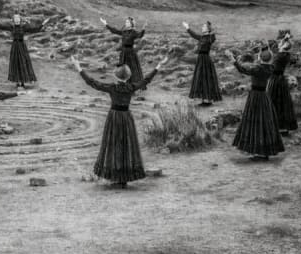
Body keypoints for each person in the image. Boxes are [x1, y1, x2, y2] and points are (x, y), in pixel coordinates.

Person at [71, 54, 168, 187]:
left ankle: (115, 176)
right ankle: (124, 178)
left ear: (115, 75)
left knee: (113, 144)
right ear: (128, 76)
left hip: (114, 117)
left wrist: (78, 67)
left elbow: (92, 82)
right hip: (127, 118)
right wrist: (159, 65)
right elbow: (146, 80)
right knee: (126, 145)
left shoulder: (112, 87)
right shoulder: (131, 87)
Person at [227, 48, 284, 159]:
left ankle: (258, 152)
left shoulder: (258, 69)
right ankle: (265, 151)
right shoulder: (271, 68)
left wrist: (232, 59)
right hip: (264, 96)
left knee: (255, 122)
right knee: (265, 123)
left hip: (255, 97)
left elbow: (242, 69)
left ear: (259, 57)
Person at [0, 13, 52, 88]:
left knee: (23, 63)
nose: (17, 19)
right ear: (13, 20)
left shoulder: (24, 27)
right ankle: (17, 82)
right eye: (15, 18)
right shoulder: (11, 27)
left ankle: (23, 82)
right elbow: (0, 26)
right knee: (16, 63)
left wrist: (43, 23)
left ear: (20, 19)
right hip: (15, 46)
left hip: (22, 46)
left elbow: (35, 29)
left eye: (18, 18)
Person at [182, 20, 222, 106]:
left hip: (206, 60)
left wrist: (211, 30)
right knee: (201, 78)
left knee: (207, 79)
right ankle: (204, 100)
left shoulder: (210, 37)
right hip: (200, 60)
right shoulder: (202, 37)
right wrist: (187, 27)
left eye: (204, 26)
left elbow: (213, 37)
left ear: (207, 29)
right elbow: (193, 35)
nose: (202, 28)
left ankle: (208, 100)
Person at [99, 16, 146, 84]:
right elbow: (114, 31)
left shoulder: (133, 32)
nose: (126, 23)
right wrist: (105, 24)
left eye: (127, 22)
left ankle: (132, 84)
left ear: (131, 24)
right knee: (123, 69)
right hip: (123, 52)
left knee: (131, 68)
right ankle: (124, 84)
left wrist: (143, 29)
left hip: (130, 53)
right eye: (126, 22)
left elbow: (140, 35)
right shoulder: (124, 31)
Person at [267, 39, 298, 136]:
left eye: (281, 43)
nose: (279, 44)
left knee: (274, 102)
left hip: (275, 80)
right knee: (283, 104)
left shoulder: (280, 56)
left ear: (283, 46)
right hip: (281, 80)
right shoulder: (286, 55)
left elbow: (272, 67)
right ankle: (284, 127)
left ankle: (274, 127)